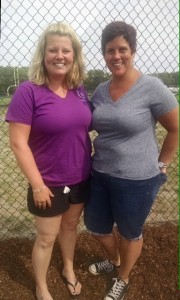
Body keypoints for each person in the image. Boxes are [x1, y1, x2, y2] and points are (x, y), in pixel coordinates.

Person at [84, 21, 179, 300]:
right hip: (99, 173)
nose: (116, 56)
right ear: (104, 54)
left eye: (122, 49)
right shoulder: (101, 90)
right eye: (110, 50)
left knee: (129, 233)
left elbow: (175, 128)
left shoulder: (151, 87)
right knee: (98, 228)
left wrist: (163, 164)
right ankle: (115, 262)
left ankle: (122, 278)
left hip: (137, 180)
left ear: (133, 50)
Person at [6, 22, 92, 300]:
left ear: (74, 55)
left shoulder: (79, 90)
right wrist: (37, 185)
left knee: (69, 227)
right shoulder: (28, 91)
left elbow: (82, 127)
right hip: (48, 183)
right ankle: (41, 286)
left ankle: (68, 268)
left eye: (66, 50)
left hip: (80, 176)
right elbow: (18, 142)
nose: (60, 55)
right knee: (45, 238)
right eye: (53, 49)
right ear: (43, 54)